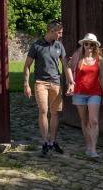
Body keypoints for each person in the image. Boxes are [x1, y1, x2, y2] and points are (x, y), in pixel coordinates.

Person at [23, 20, 69, 157]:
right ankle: (44, 142)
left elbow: (65, 65)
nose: (61, 35)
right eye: (59, 32)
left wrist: (71, 82)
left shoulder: (59, 46)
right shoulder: (36, 45)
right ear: (52, 31)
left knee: (55, 113)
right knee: (43, 111)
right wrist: (26, 84)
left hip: (56, 83)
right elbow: (27, 66)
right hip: (40, 83)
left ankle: (52, 142)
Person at [67, 33, 103, 159]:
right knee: (84, 121)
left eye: (91, 44)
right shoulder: (78, 56)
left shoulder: (99, 59)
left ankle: (93, 149)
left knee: (93, 121)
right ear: (83, 44)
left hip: (95, 93)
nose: (88, 46)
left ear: (95, 46)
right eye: (86, 43)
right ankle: (88, 146)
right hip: (79, 93)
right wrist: (71, 82)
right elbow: (67, 67)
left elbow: (101, 77)